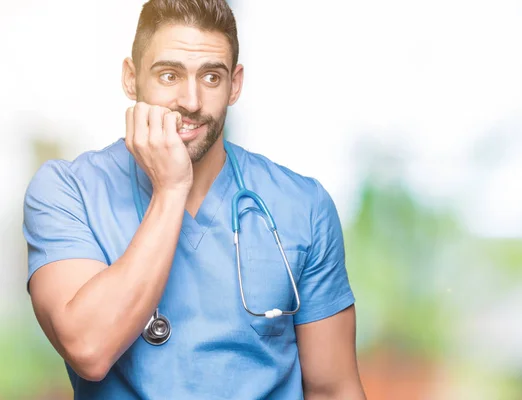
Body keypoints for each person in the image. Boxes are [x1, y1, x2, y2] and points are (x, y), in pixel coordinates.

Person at [22, 0, 366, 399]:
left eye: (211, 77)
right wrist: (170, 190)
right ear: (131, 79)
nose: (191, 100)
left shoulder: (303, 205)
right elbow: (89, 348)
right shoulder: (67, 192)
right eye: (169, 75)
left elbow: (333, 388)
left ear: (235, 84)